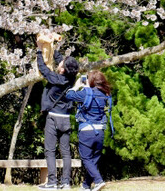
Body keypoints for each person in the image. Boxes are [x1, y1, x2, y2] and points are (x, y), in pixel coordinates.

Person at [36, 31, 79, 190]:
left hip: (53, 118)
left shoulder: (56, 79)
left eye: (62, 64)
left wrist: (39, 49)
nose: (61, 63)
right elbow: (60, 59)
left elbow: (43, 68)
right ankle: (66, 183)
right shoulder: (71, 77)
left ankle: (52, 182)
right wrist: (52, 44)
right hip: (66, 118)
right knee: (66, 152)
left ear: (62, 69)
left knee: (50, 150)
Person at [62, 70, 114, 191]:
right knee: (94, 159)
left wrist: (77, 85)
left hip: (87, 131)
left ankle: (98, 181)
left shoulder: (86, 93)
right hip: (100, 131)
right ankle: (86, 186)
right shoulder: (104, 94)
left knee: (86, 158)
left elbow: (68, 96)